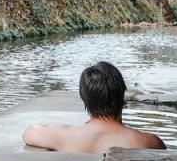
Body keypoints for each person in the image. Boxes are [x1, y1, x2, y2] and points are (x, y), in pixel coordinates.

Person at [22, 62, 166, 154]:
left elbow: (29, 133)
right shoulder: (150, 142)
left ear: (85, 99)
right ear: (122, 95)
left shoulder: (67, 136)